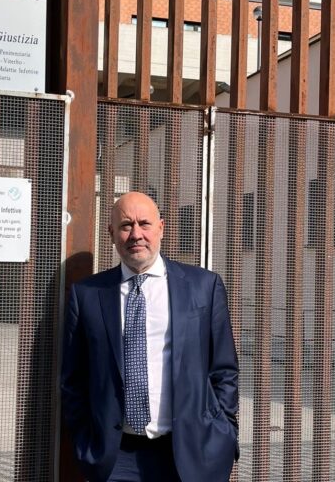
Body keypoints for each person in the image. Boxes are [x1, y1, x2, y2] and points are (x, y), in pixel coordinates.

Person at [61, 191, 239, 482]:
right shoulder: (88, 295)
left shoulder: (203, 287)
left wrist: (225, 432)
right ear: (112, 233)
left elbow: (224, 368)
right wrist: (85, 442)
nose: (136, 234)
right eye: (126, 225)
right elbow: (73, 379)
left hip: (191, 452)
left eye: (144, 223)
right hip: (116, 458)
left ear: (161, 228)